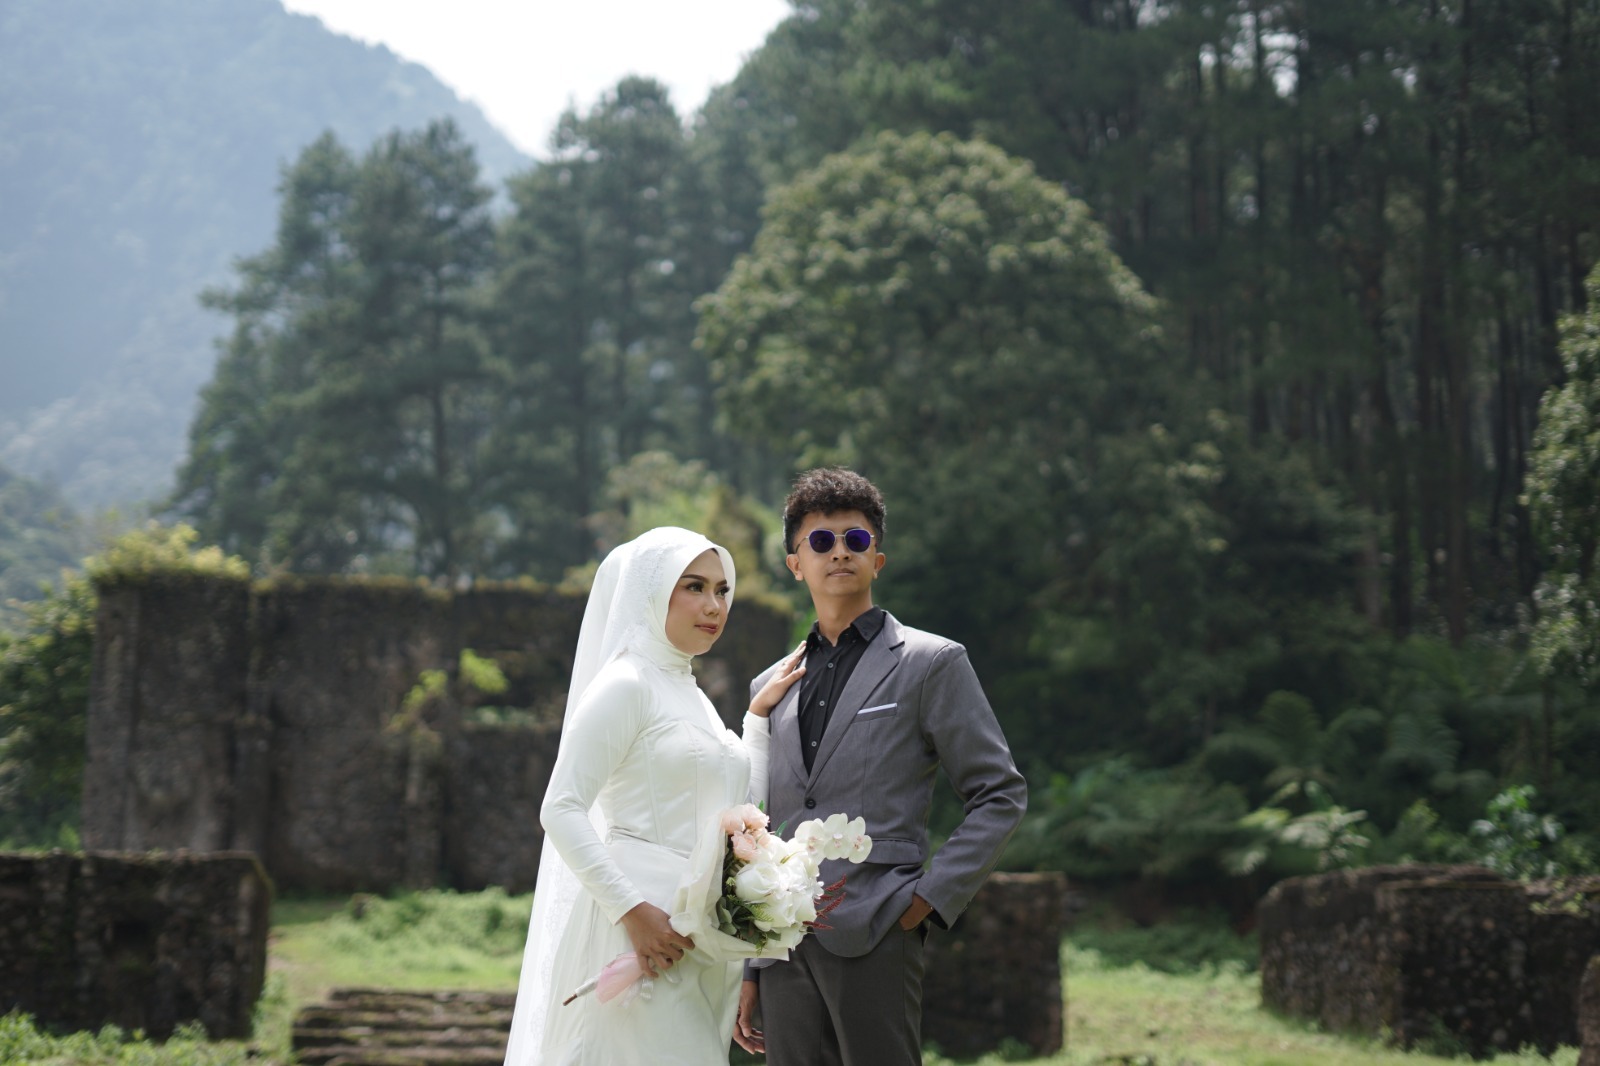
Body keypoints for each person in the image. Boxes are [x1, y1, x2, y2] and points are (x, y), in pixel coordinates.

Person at [734, 468, 1028, 1065]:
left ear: (878, 559)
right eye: (821, 541)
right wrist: (752, 962)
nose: (840, 552)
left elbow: (999, 793)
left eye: (856, 539)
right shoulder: (770, 686)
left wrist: (926, 901)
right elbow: (757, 823)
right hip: (783, 944)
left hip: (878, 927)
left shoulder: (930, 662)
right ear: (795, 564)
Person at [504, 526, 805, 1066]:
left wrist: (757, 719)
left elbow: (733, 800)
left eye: (722, 590)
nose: (714, 605)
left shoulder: (690, 692)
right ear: (651, 591)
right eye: (694, 587)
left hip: (698, 937)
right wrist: (633, 912)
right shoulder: (626, 684)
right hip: (636, 931)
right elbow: (561, 807)